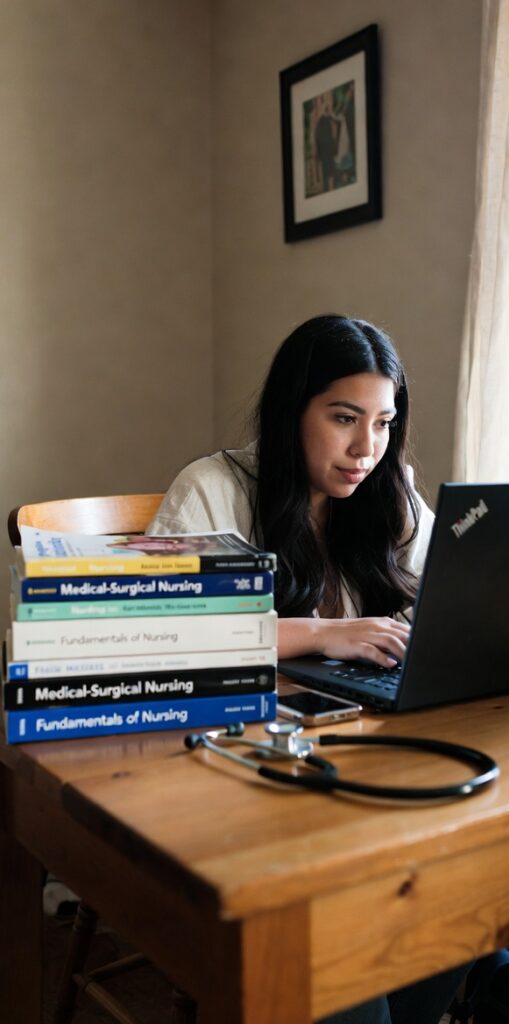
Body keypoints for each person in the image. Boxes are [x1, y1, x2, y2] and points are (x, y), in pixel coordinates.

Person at [148, 314, 470, 1024]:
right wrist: (325, 633)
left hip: (367, 759)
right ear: (292, 408)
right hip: (245, 774)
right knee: (339, 954)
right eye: (344, 418)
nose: (366, 448)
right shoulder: (214, 487)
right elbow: (169, 636)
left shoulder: (387, 490)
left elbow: (445, 595)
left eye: (384, 422)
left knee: (463, 904)